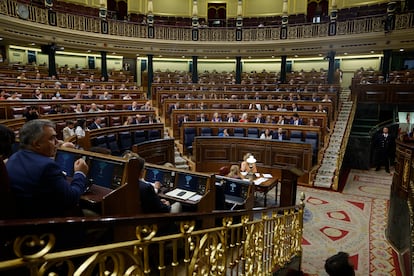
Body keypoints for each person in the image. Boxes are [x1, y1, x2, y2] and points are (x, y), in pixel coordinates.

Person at [6, 119, 89, 218]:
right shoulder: (48, 167)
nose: (57, 142)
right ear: (37, 144)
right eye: (52, 138)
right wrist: (80, 173)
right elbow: (71, 199)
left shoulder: (14, 157)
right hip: (44, 224)